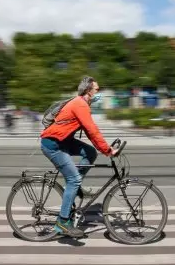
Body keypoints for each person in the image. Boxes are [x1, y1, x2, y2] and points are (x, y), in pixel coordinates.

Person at [40, 76, 118, 238]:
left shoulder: (82, 103)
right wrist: (108, 150)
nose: (99, 92)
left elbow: (91, 134)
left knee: (90, 152)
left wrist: (103, 148)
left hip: (63, 141)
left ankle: (75, 186)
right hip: (53, 145)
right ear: (88, 91)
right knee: (74, 179)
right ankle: (62, 222)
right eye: (97, 89)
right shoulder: (80, 104)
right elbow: (92, 130)